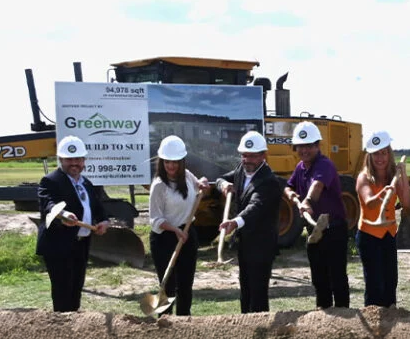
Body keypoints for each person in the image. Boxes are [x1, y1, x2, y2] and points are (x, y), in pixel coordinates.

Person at [36, 136, 109, 312]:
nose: (74, 163)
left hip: (80, 244)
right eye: (69, 159)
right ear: (61, 159)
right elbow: (48, 204)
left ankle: (74, 325)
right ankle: (62, 330)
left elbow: (98, 208)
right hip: (58, 245)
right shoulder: (50, 181)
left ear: (84, 161)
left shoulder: (86, 183)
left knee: (76, 287)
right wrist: (63, 214)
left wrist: (104, 221)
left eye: (78, 159)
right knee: (63, 291)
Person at [284, 121, 350, 309]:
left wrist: (307, 202)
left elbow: (317, 186)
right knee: (318, 276)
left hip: (334, 229)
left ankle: (344, 315)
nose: (304, 150)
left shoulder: (324, 165)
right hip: (314, 230)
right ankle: (323, 315)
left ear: (317, 146)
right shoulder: (300, 167)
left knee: (336, 275)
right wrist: (293, 195)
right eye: (301, 146)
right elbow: (288, 186)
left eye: (309, 146)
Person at [217, 131, 283, 313]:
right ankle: (245, 327)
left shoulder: (269, 181)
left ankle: (260, 332)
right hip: (245, 242)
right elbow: (221, 178)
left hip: (262, 244)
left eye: (253, 156)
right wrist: (222, 185)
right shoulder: (241, 169)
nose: (248, 160)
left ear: (263, 156)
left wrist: (235, 222)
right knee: (245, 288)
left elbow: (256, 206)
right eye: (245, 155)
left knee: (258, 292)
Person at [148, 135, 209, 316]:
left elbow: (198, 186)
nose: (171, 166)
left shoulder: (186, 175)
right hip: (164, 238)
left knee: (185, 285)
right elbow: (155, 219)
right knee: (168, 286)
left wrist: (203, 183)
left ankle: (184, 323)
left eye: (174, 162)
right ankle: (165, 324)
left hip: (187, 233)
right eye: (167, 162)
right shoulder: (159, 186)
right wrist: (175, 230)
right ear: (162, 162)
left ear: (181, 162)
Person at [355, 131, 410, 308]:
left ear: (389, 153)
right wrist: (385, 192)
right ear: (369, 156)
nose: (380, 158)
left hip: (389, 235)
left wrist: (402, 178)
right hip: (369, 235)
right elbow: (370, 203)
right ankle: (373, 321)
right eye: (375, 154)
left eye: (383, 153)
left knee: (390, 283)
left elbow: (408, 206)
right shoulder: (363, 178)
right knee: (374, 285)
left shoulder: (394, 176)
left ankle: (391, 321)